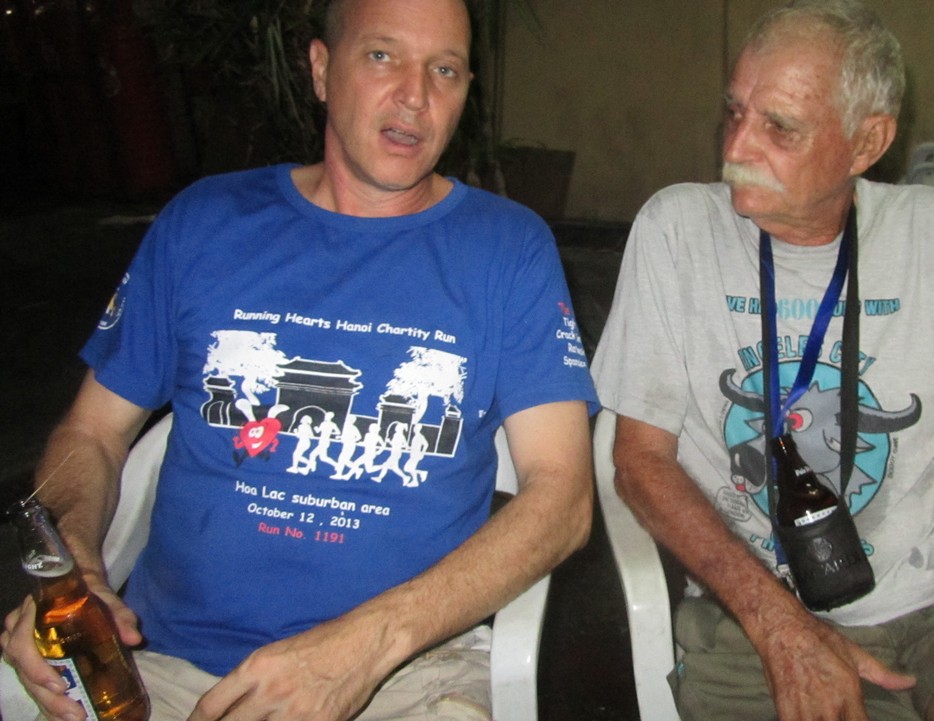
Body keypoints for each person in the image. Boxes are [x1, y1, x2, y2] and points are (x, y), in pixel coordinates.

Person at [0, 0, 597, 719]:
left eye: (445, 69)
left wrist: (366, 646)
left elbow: (563, 499)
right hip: (166, 668)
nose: (415, 95)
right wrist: (69, 572)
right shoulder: (205, 222)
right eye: (382, 56)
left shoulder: (508, 248)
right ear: (320, 70)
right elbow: (91, 431)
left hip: (407, 670)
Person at [590, 2, 934, 720]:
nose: (738, 145)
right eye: (733, 112)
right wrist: (779, 625)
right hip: (753, 614)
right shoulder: (678, 230)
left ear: (868, 142)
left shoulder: (929, 232)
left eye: (780, 128)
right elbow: (639, 462)